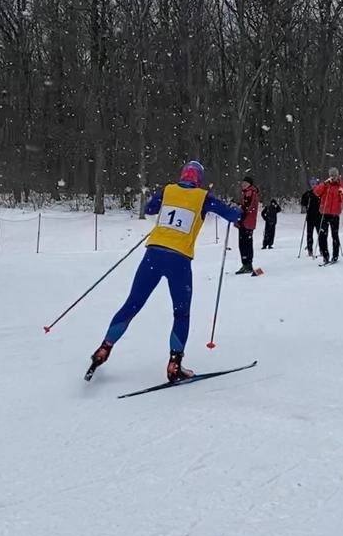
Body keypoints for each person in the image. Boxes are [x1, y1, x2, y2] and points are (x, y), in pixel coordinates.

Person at [86, 161, 240, 383]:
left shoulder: (168, 190)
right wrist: (239, 212)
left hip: (153, 255)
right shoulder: (202, 197)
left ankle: (104, 348)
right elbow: (233, 215)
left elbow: (149, 209)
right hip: (179, 260)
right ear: (199, 179)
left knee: (132, 304)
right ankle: (174, 364)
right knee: (181, 313)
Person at [313, 168, 343, 264]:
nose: (333, 177)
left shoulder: (341, 186)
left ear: (338, 176)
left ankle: (335, 255)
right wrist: (324, 184)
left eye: (335, 175)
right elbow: (316, 192)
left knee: (335, 235)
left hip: (335, 214)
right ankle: (325, 255)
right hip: (324, 213)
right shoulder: (326, 184)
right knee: (322, 236)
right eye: (331, 175)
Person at [236, 175, 260, 275]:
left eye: (245, 183)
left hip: (246, 222)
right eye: (242, 183)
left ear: (249, 184)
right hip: (247, 222)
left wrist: (239, 211)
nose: (243, 185)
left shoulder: (250, 192)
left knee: (244, 243)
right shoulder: (248, 192)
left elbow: (247, 207)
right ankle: (247, 263)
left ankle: (247, 264)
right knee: (246, 243)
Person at [300, 179, 321, 256]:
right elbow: (303, 203)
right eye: (312, 184)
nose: (314, 186)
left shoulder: (320, 193)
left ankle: (322, 250)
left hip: (319, 217)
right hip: (310, 217)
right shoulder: (307, 194)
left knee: (320, 234)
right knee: (310, 234)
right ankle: (310, 250)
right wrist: (306, 204)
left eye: (315, 184)